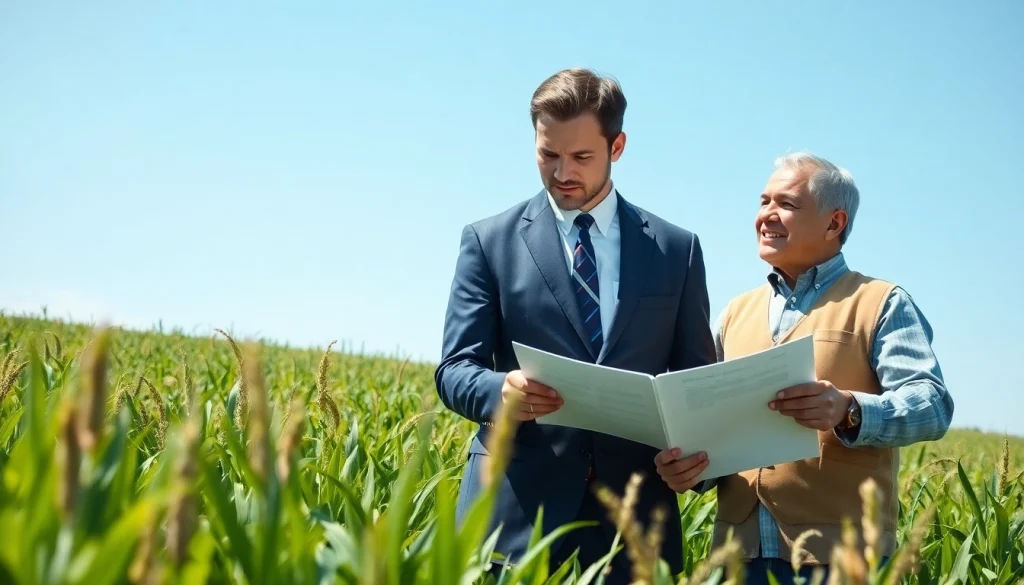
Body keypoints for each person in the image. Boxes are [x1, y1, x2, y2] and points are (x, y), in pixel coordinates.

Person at [434, 68, 717, 582]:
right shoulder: (487, 241)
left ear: (618, 146)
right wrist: (502, 389)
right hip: (513, 520)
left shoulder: (679, 252)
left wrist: (695, 462)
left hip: (635, 530)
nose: (562, 171)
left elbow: (697, 383)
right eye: (548, 154)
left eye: (581, 157)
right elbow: (454, 370)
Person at [653, 152, 954, 584]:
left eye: (786, 204)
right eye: (763, 202)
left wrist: (849, 409)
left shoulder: (882, 302)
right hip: (737, 560)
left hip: (844, 561)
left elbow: (932, 404)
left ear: (835, 224)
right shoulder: (734, 313)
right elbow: (710, 425)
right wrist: (691, 470)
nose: (767, 216)